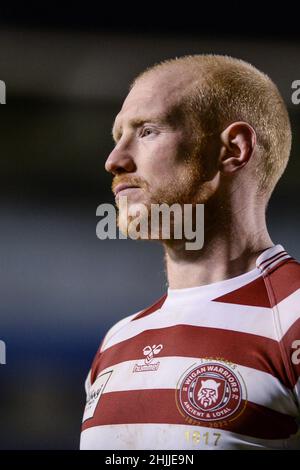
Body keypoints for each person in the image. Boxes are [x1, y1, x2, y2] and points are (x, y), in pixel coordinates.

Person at [80, 54, 300, 450]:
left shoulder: (294, 316)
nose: (114, 161)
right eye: (118, 138)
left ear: (233, 149)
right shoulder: (117, 341)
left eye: (147, 131)